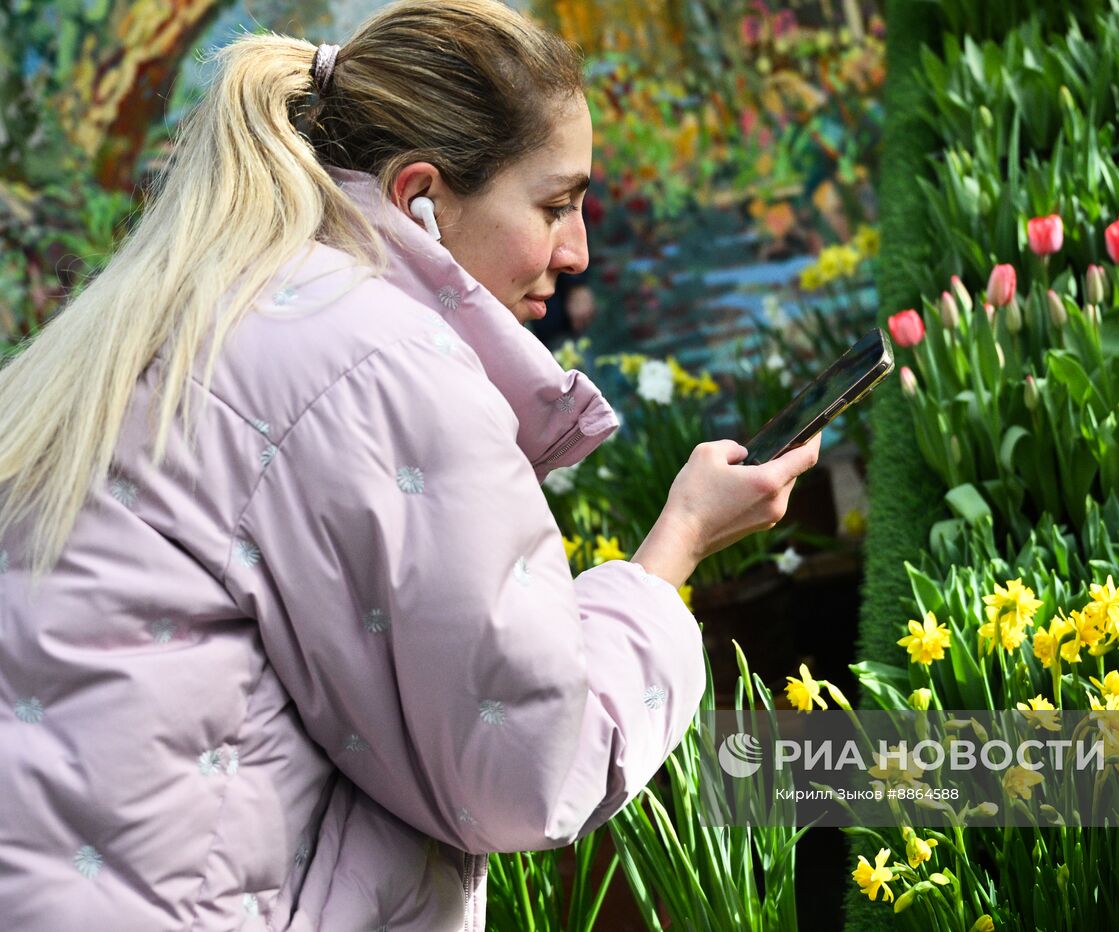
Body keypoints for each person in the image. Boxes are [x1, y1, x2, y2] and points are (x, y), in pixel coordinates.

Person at [0, 2, 821, 929]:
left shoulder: (200, 309)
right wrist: (676, 547)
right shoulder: (374, 357)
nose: (578, 250)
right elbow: (529, 766)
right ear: (417, 196)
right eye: (554, 205)